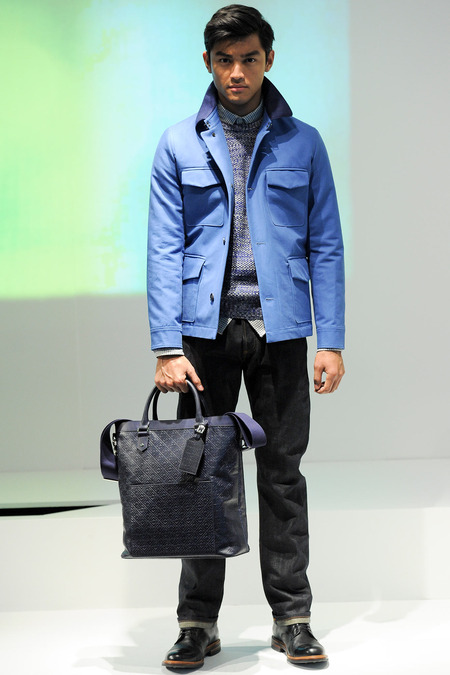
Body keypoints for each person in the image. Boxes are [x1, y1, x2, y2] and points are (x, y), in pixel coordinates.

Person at [147, 4, 345, 669]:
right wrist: (165, 347)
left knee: (283, 474)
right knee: (199, 476)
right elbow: (162, 249)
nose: (237, 72)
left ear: (269, 59)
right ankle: (197, 622)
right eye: (225, 60)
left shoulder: (304, 142)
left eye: (249, 59)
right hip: (202, 337)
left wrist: (330, 339)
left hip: (282, 333)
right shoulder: (179, 142)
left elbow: (326, 245)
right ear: (208, 62)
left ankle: (293, 616)